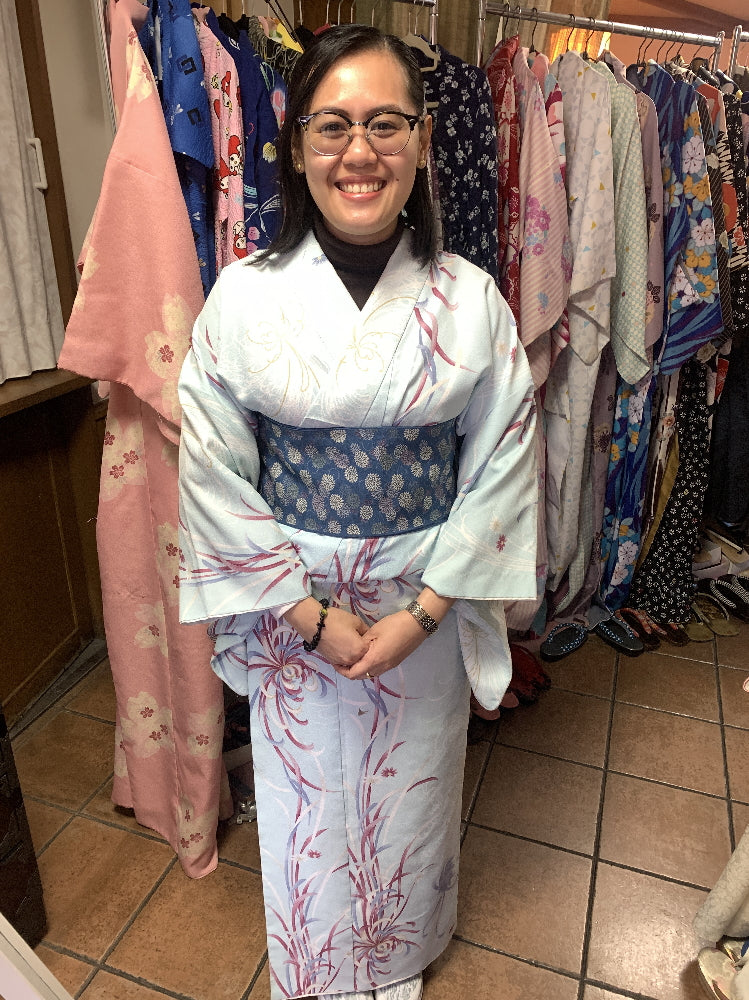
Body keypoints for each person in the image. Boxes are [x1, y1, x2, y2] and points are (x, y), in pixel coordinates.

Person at [177, 24, 538, 1000]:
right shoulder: (242, 299)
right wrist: (305, 614)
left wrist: (425, 611)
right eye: (332, 126)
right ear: (296, 147)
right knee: (304, 794)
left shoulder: (470, 300)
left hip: (422, 601)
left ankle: (400, 952)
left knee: (407, 792)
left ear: (421, 140)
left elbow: (503, 458)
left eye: (386, 124)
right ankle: (315, 962)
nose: (359, 151)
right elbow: (210, 464)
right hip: (291, 602)